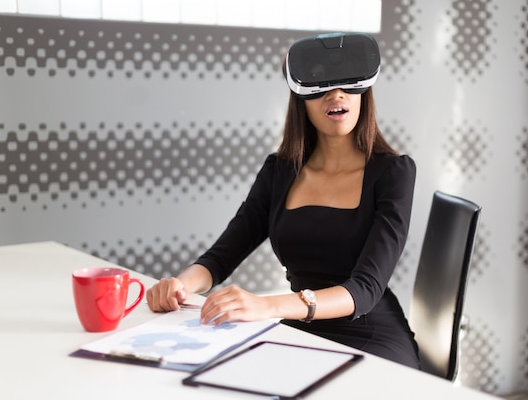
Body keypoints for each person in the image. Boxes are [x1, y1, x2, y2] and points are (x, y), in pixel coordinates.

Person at [146, 33, 420, 369]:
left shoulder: (394, 173)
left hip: (370, 334)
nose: (336, 94)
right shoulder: (279, 171)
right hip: (298, 331)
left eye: (348, 84)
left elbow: (364, 289)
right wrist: (179, 285)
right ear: (301, 95)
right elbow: (220, 258)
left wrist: (269, 306)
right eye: (321, 84)